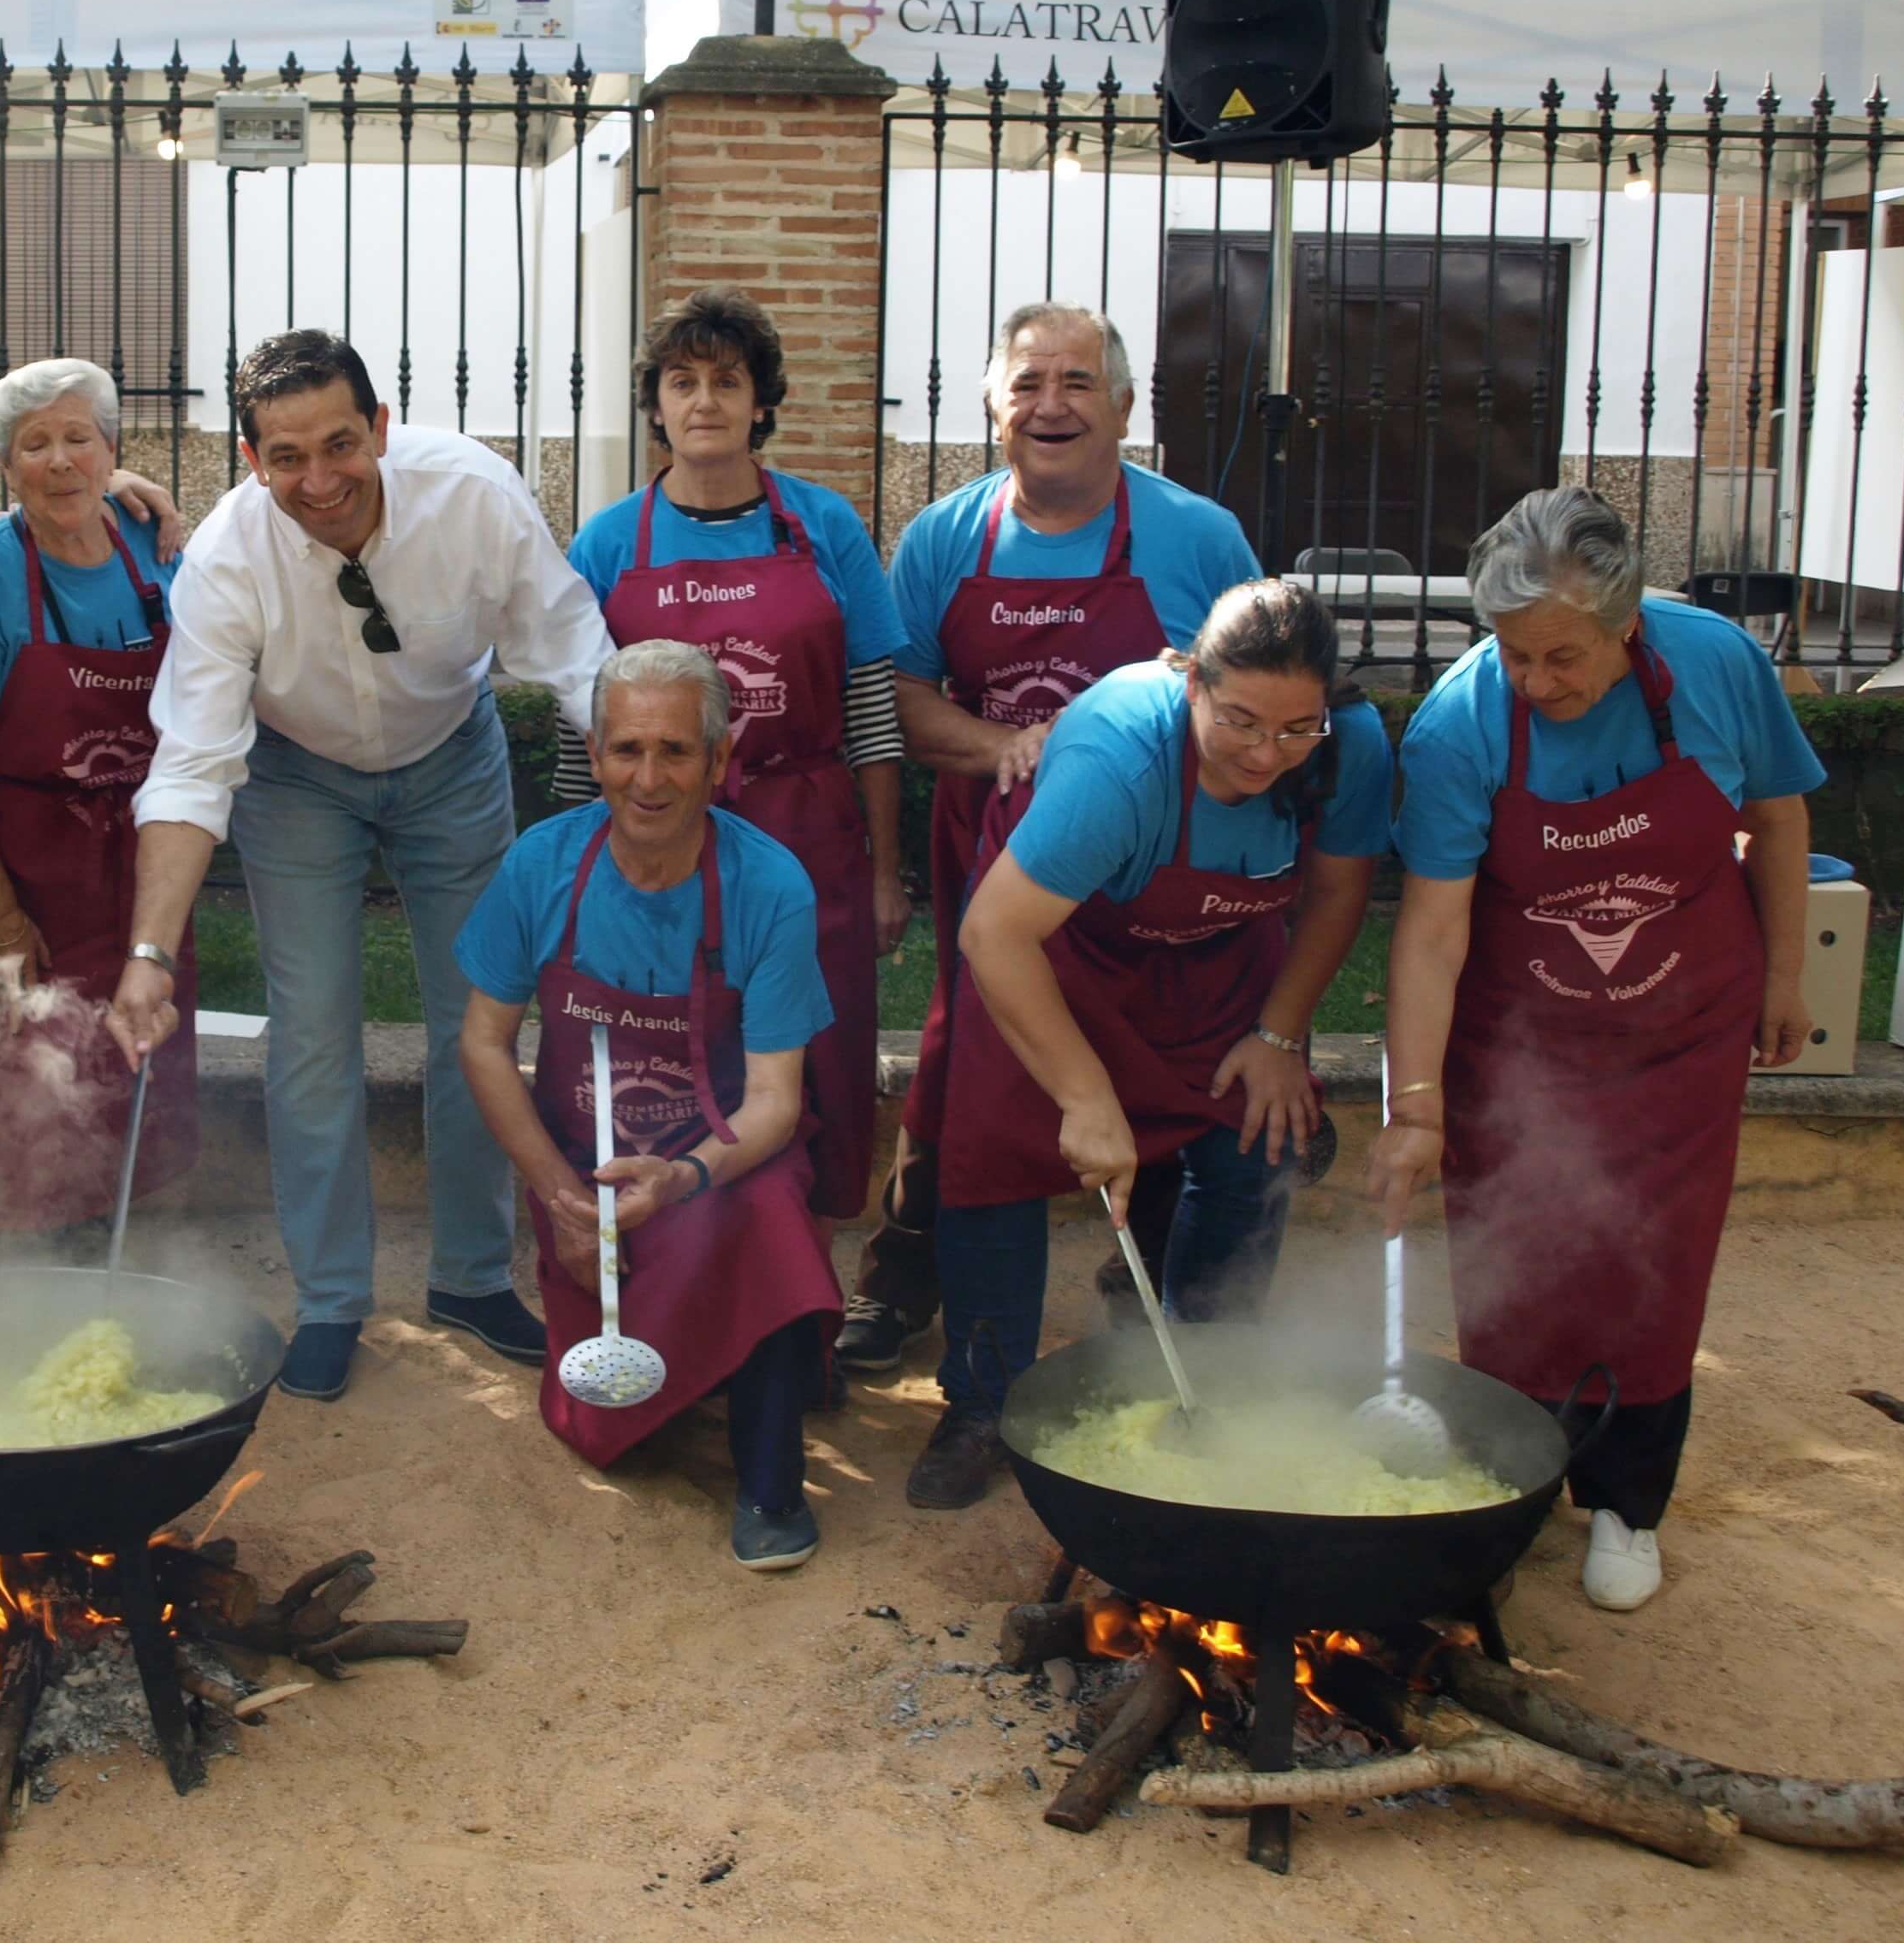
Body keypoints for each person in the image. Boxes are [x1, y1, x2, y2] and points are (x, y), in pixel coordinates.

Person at [106, 329, 612, 1402]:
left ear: (381, 427)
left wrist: (657, 804)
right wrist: (150, 951)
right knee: (312, 1033)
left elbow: (575, 656)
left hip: (452, 750)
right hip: (295, 774)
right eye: (287, 457)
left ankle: (471, 1276)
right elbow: (192, 765)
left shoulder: (475, 493)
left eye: (341, 443)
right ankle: (332, 1296)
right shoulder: (226, 561)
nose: (319, 478)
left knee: (477, 1020)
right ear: (252, 460)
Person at [1371, 488, 1818, 1613]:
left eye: (1561, 654)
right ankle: (1515, 1478)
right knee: (1520, 1265)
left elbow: (1776, 814)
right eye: (1513, 652)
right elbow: (1431, 928)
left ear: (1628, 623)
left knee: (1654, 1269)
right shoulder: (1460, 723)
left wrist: (1789, 972)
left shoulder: (1715, 664)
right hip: (1523, 1043)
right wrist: (1419, 1103)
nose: (1536, 680)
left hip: (1685, 1030)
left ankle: (1628, 1501)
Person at [840, 302, 1263, 1379]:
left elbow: (1259, 687)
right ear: (993, 409)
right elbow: (898, 697)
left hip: (1149, 887)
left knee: (1165, 1072)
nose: (1051, 405)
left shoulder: (1198, 536)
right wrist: (1004, 744)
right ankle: (903, 1281)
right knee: (960, 1076)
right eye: (1028, 384)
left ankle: (1150, 1286)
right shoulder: (944, 537)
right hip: (998, 867)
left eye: (1078, 382)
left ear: (1124, 406)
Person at [913, 578, 1390, 1510]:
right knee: (995, 1161)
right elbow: (994, 935)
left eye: (1296, 729)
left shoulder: (1350, 748)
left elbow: (1336, 895)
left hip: (1214, 960)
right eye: (1241, 720)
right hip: (1055, 951)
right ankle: (982, 1402)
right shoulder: (1122, 755)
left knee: (1257, 1135)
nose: (1266, 753)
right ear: (1191, 680)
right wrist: (1086, 1097)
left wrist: (1278, 1033)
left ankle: (1206, 1373)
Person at [458, 642, 842, 1571]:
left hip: (716, 1155)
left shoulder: (771, 884)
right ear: (594, 756)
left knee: (767, 1218)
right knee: (606, 1426)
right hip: (586, 1175)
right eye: (627, 749)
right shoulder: (541, 865)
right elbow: (481, 1041)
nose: (650, 778)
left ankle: (769, 1478)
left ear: (720, 759)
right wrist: (561, 1202)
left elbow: (776, 1102)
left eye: (677, 751)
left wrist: (682, 1176)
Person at [560, 288, 908, 1230]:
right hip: (657, 848)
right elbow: (576, 726)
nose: (704, 400)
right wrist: (571, 872)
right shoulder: (605, 543)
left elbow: (873, 709)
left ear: (762, 402)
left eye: (727, 380)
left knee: (817, 1065)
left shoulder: (825, 527)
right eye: (682, 381)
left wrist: (885, 869)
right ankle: (685, 1272)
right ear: (657, 406)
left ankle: (807, 1290)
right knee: (678, 1065)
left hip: (809, 837)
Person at [0, 358, 193, 1243]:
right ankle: (26, 1274)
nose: (61, 460)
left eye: (80, 436)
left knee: (136, 1067)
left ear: (114, 448)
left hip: (137, 867)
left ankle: (126, 1259)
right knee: (26, 1083)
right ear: (6, 465)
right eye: (35, 443)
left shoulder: (155, 544)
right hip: (23, 873)